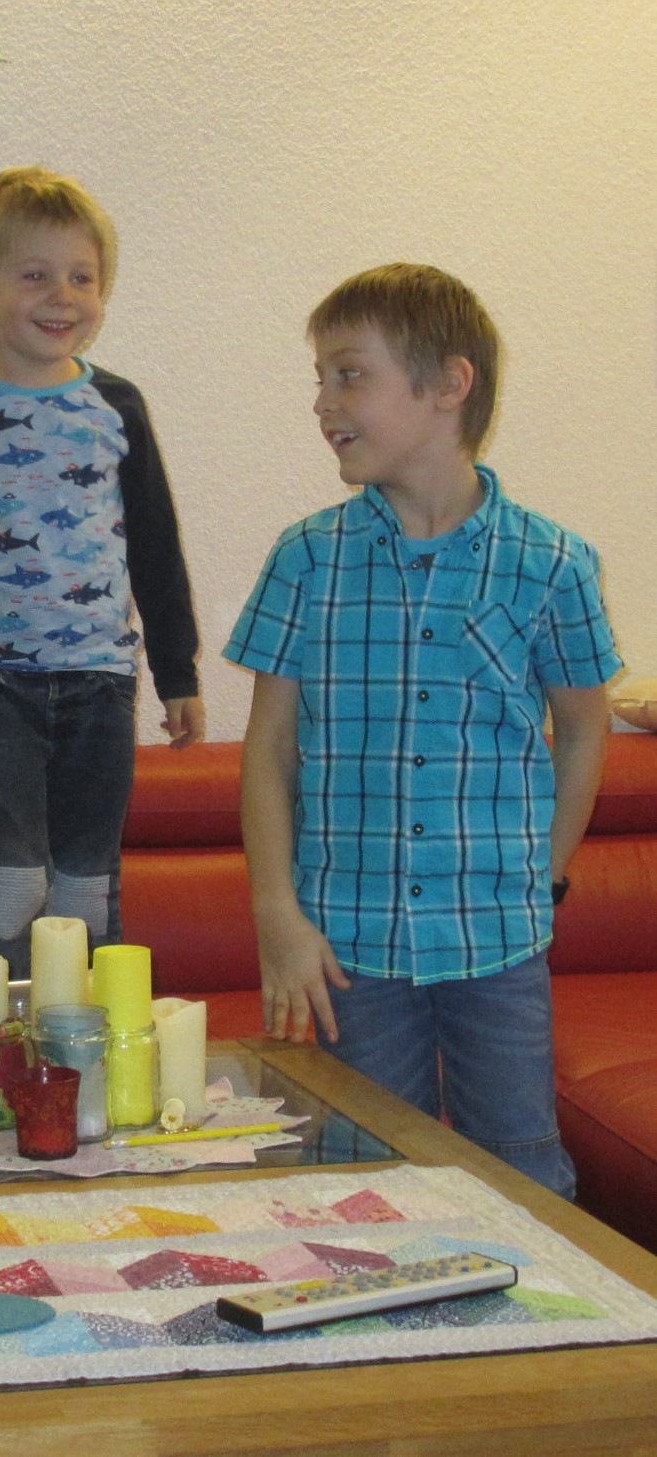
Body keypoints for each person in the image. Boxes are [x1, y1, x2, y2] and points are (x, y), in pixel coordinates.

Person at [225, 263, 619, 1197]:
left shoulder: (554, 563)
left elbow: (583, 730)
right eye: (320, 378)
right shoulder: (307, 557)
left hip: (497, 939)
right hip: (345, 946)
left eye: (349, 374)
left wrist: (543, 873)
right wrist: (277, 915)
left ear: (448, 384)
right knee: (362, 1173)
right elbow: (270, 750)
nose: (323, 402)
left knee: (520, 1168)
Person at [0, 166, 203, 976]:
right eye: (34, 276)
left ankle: (80, 1039)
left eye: (82, 277)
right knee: (12, 880)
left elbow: (156, 544)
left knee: (86, 885)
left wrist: (178, 673)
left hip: (101, 679)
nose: (62, 297)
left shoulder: (116, 407)